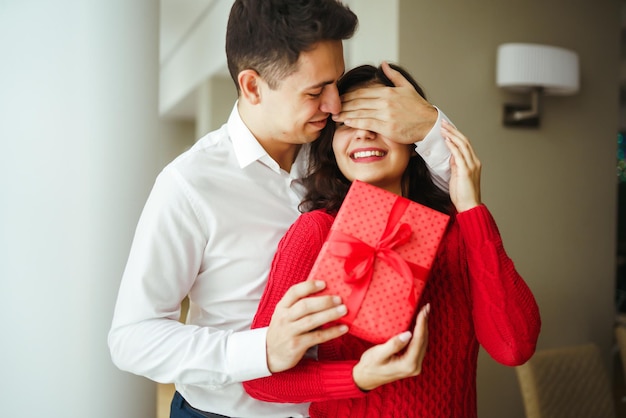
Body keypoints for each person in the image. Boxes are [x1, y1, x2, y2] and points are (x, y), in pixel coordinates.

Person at [108, 1, 455, 417]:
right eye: (314, 92)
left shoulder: (341, 152)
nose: (333, 104)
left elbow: (442, 199)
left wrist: (429, 125)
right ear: (253, 86)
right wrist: (261, 349)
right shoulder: (189, 185)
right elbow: (132, 338)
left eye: (335, 83)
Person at [243, 64, 542, 418]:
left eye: (380, 121)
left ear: (414, 139)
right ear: (330, 146)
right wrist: (356, 377)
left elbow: (514, 347)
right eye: (346, 124)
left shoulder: (458, 231)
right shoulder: (315, 232)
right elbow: (260, 380)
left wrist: (471, 209)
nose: (363, 134)